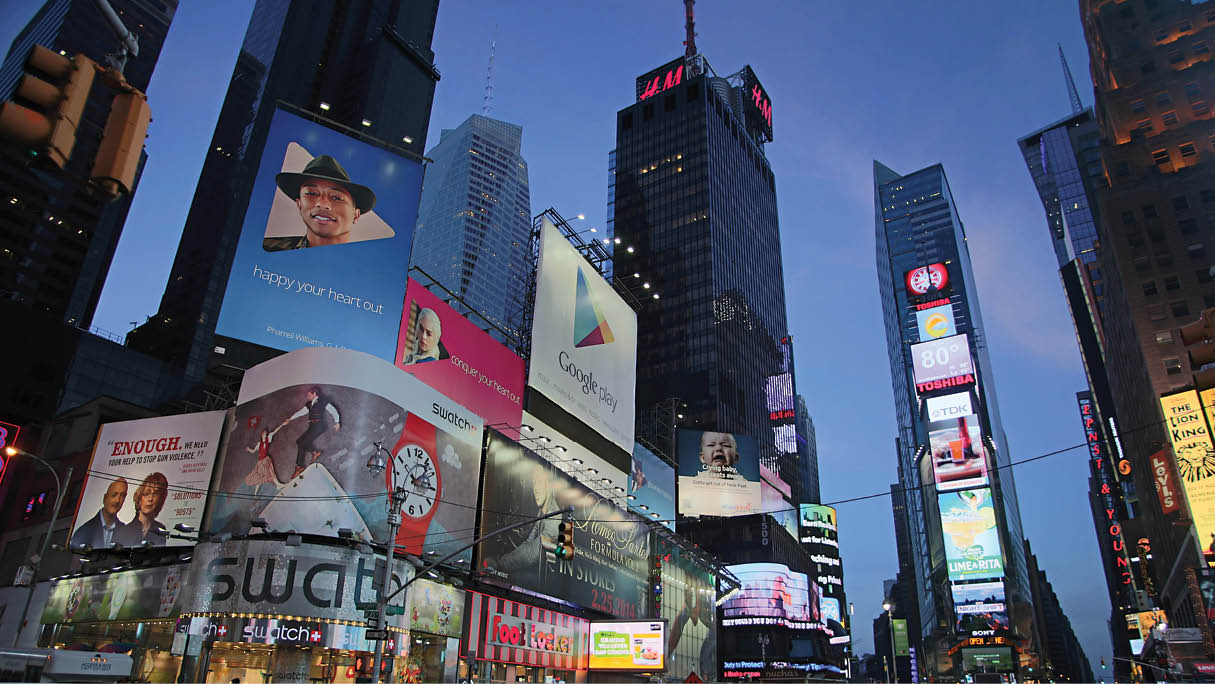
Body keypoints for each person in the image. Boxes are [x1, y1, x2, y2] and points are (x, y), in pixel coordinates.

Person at [263, 154, 377, 251]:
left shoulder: (365, 268)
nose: (322, 204)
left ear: (356, 215)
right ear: (299, 204)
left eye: (336, 198)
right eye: (311, 193)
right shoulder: (270, 249)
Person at [281, 385, 342, 480]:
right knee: (299, 441)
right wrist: (290, 419)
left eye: (309, 395)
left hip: (319, 426)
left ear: (314, 394)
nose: (307, 397)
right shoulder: (309, 404)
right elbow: (301, 412)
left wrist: (337, 422)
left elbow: (332, 410)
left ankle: (299, 466)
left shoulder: (322, 401)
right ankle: (315, 452)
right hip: (312, 426)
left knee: (303, 443)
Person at [70, 478, 128, 549]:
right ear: (105, 498)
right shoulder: (83, 532)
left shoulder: (125, 531)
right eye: (114, 495)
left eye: (122, 496)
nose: (117, 500)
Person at [116, 473, 169, 547]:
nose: (150, 499)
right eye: (146, 493)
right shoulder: (123, 531)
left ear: (160, 500)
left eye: (155, 494)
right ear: (140, 498)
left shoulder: (161, 529)